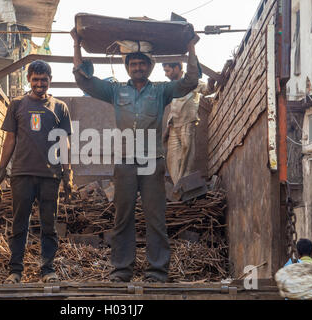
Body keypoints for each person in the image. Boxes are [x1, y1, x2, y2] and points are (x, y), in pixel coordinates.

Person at [71, 28, 201, 283]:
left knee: (156, 220)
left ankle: (157, 272)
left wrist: (192, 47)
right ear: (127, 67)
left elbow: (191, 81)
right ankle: (121, 272)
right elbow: (84, 81)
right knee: (123, 219)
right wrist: (76, 44)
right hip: (126, 164)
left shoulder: (161, 91)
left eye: (142, 63)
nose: (138, 67)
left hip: (152, 163)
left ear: (149, 67)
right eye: (134, 63)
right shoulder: (116, 91)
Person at [0, 60, 73, 284]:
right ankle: (15, 271)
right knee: (20, 224)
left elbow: (64, 142)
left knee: (49, 225)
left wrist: (67, 173)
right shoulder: (17, 105)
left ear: (50, 81)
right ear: (29, 79)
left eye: (43, 80)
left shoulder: (60, 107)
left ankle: (48, 270)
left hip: (50, 176)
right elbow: (10, 139)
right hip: (21, 174)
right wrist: (0, 170)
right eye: (35, 79)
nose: (39, 83)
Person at [162, 62, 215, 186]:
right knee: (172, 159)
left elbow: (207, 90)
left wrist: (211, 82)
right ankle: (178, 187)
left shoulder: (191, 81)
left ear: (177, 68)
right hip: (173, 126)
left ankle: (184, 187)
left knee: (187, 156)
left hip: (187, 123)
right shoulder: (171, 85)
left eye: (168, 70)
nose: (166, 74)